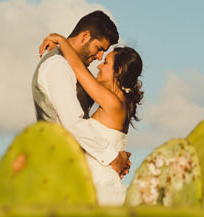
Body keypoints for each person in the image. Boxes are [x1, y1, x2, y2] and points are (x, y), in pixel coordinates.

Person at [39, 31, 145, 207]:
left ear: (117, 71)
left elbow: (79, 70)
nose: (99, 66)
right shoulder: (118, 104)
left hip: (99, 190)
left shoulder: (112, 102)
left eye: (106, 63)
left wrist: (61, 41)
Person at [31, 11, 131, 193]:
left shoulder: (71, 67)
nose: (100, 57)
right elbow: (73, 123)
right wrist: (112, 157)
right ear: (85, 36)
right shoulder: (58, 66)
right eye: (99, 48)